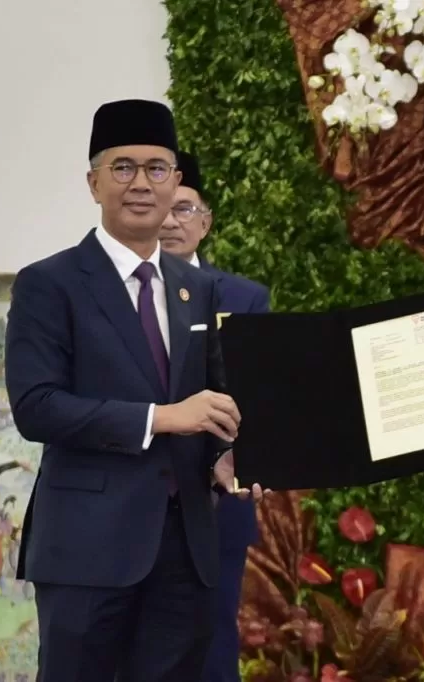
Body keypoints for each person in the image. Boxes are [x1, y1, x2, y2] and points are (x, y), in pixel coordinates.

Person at [4, 98, 262, 682]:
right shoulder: (50, 283)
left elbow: (219, 404)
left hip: (186, 551)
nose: (141, 183)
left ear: (176, 183)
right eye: (123, 167)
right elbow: (36, 407)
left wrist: (227, 457)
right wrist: (163, 418)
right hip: (88, 550)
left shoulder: (197, 288)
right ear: (94, 182)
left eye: (156, 168)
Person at [159, 150, 271, 682]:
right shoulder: (120, 294)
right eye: (160, 207)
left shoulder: (245, 298)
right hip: (139, 501)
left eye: (183, 209)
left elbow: (263, 398)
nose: (168, 221)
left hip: (218, 503)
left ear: (205, 221)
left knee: (213, 645)